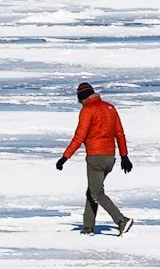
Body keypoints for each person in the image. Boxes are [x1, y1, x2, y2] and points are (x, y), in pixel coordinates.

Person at [55, 81, 134, 236]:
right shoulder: (110, 108)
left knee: (97, 193)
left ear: (83, 98)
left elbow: (79, 137)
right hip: (110, 158)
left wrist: (64, 158)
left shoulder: (87, 110)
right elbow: (119, 134)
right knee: (92, 191)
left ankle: (121, 220)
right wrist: (124, 156)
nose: (80, 103)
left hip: (95, 158)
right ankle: (88, 228)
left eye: (80, 100)